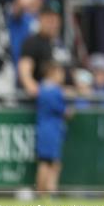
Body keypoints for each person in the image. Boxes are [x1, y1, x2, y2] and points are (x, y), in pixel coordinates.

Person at [35, 61, 73, 195]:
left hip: (44, 129)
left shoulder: (41, 88)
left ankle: (45, 192)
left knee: (47, 161)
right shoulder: (54, 91)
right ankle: (47, 191)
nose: (62, 76)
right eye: (60, 72)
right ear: (52, 73)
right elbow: (63, 110)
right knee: (49, 163)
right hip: (52, 131)